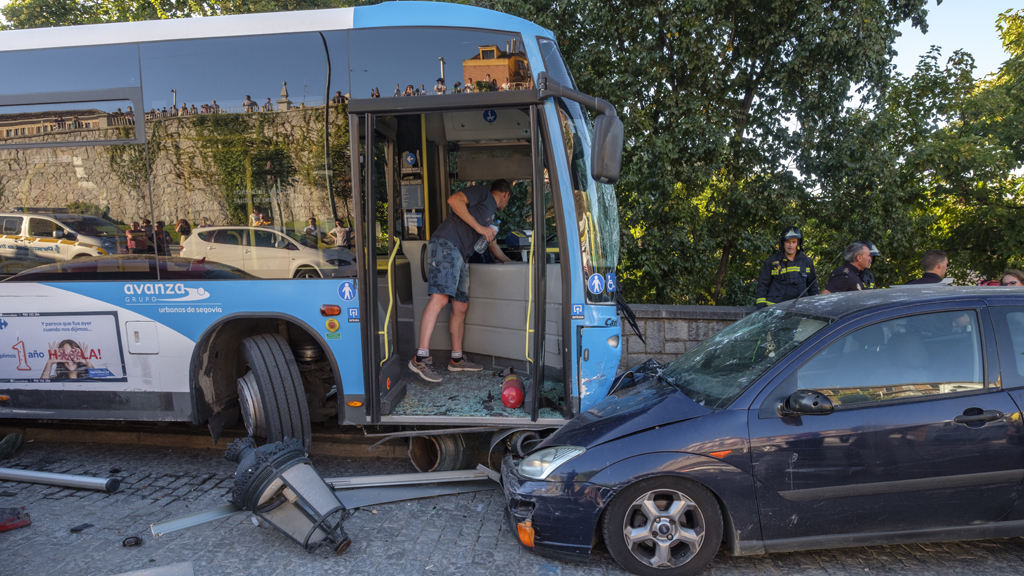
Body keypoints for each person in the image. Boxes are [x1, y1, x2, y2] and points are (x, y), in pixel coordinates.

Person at [410, 180, 513, 383]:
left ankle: (456, 359)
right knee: (439, 299)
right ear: (506, 195)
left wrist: (516, 264)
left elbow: (493, 247)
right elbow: (453, 200)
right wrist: (479, 228)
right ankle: (420, 358)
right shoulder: (483, 193)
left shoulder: (491, 216)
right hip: (447, 244)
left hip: (462, 255)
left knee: (460, 306)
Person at [754, 226, 818, 309]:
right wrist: (761, 307)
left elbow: (813, 287)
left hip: (800, 309)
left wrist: (815, 306)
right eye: (788, 242)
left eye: (794, 242)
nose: (791, 245)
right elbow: (762, 285)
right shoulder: (771, 262)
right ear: (783, 243)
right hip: (776, 309)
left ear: (798, 243)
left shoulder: (807, 262)